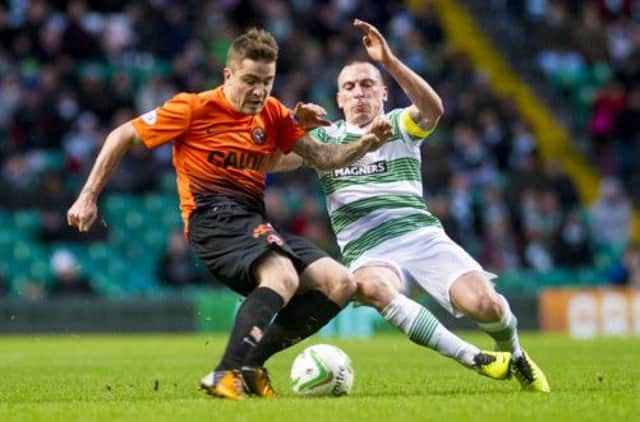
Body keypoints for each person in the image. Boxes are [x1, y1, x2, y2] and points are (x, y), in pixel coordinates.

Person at [67, 27, 393, 400]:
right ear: (228, 75)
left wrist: (366, 142)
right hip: (211, 217)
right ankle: (226, 373)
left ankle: (252, 363)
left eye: (267, 82)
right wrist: (88, 196)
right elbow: (121, 135)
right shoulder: (193, 107)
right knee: (282, 274)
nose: (259, 91)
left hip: (252, 219)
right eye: (250, 81)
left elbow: (322, 157)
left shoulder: (273, 113)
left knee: (341, 283)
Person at [271, 19, 550, 392]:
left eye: (367, 85)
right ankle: (476, 359)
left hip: (422, 237)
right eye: (349, 87)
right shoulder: (323, 138)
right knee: (368, 287)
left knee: (487, 306)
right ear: (338, 98)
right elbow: (269, 162)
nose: (358, 94)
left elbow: (433, 110)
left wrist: (388, 59)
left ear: (383, 93)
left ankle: (514, 354)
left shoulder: (397, 123)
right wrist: (292, 125)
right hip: (369, 250)